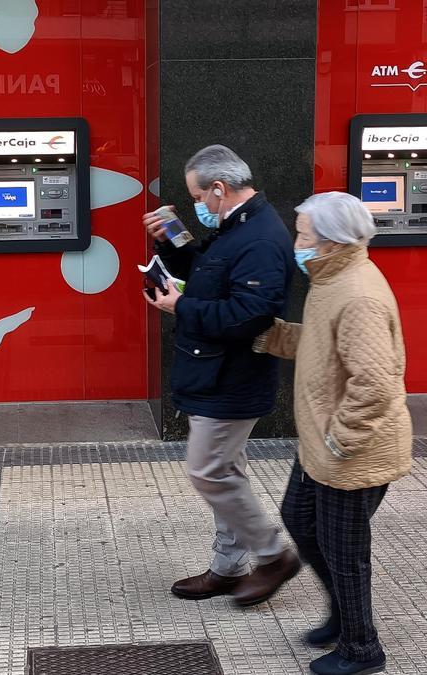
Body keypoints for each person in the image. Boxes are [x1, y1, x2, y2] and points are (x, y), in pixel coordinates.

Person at [255, 191, 411, 675]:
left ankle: (362, 650)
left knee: (345, 553)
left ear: (329, 241)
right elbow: (322, 342)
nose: (296, 243)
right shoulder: (332, 277)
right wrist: (272, 335)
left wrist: (341, 439)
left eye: (302, 234)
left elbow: (374, 384)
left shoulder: (357, 293)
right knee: (300, 521)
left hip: (351, 452)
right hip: (321, 444)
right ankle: (343, 618)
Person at [141, 144, 300, 607]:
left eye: (197, 197)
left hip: (232, 379)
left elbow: (248, 315)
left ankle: (273, 556)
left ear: (218, 188)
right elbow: (210, 274)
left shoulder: (261, 237)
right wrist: (171, 239)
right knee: (226, 471)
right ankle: (228, 569)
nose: (197, 206)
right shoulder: (238, 226)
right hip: (216, 373)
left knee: (207, 469)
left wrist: (180, 306)